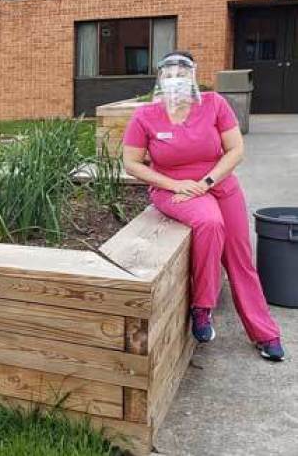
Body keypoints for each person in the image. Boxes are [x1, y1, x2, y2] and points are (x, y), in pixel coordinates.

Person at [122, 51, 285, 362]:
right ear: (160, 79)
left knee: (241, 259)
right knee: (210, 224)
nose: (175, 79)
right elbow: (131, 163)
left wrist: (207, 182)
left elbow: (235, 150)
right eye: (168, 74)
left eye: (182, 73)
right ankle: (202, 308)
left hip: (218, 183)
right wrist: (175, 185)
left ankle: (265, 333)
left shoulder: (214, 104)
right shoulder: (146, 115)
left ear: (193, 76)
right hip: (174, 189)